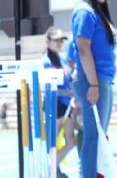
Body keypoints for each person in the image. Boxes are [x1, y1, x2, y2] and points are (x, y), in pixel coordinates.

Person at [68, 0, 117, 178]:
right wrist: (94, 85)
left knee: (98, 136)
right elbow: (83, 48)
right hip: (93, 80)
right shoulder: (85, 12)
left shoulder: (95, 11)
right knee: (92, 137)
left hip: (100, 79)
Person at [43, 27, 75, 176]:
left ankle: (53, 168)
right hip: (54, 104)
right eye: (56, 40)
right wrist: (67, 93)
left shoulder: (62, 59)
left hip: (66, 104)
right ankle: (51, 170)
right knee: (52, 144)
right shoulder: (46, 60)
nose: (60, 43)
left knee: (70, 141)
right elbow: (51, 84)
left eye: (62, 40)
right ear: (48, 42)